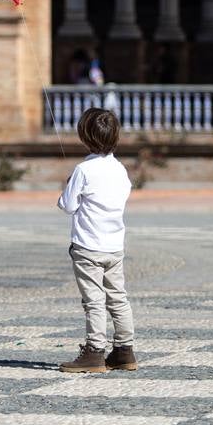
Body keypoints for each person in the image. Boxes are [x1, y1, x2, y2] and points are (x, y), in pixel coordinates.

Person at [57, 107, 137, 374]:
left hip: (87, 246)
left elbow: (67, 206)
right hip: (114, 246)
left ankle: (94, 352)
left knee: (94, 300)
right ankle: (125, 350)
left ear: (84, 137)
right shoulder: (120, 169)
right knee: (118, 297)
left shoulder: (83, 169)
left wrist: (68, 185)